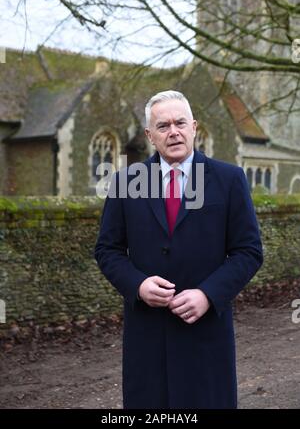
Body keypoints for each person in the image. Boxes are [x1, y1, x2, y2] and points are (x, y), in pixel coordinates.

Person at [94, 90, 263, 409]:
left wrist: (208, 294)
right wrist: (138, 285)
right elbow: (108, 250)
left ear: (194, 127)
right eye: (163, 126)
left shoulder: (229, 179)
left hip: (206, 336)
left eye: (180, 123)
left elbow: (249, 251)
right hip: (147, 337)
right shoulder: (126, 181)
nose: (173, 132)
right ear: (149, 135)